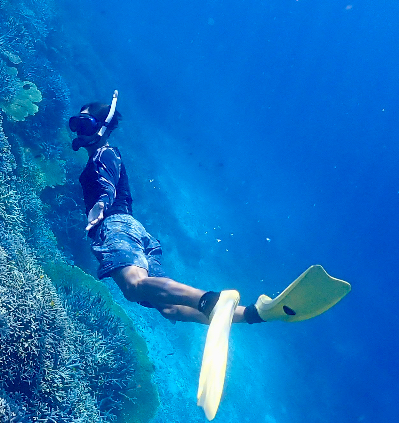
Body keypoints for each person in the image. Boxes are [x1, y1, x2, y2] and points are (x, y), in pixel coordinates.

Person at [70, 92, 263, 325]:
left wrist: (101, 205)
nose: (80, 131)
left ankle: (210, 300)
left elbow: (107, 185)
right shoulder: (105, 155)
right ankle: (251, 314)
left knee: (134, 286)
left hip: (115, 226)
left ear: (102, 128)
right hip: (136, 232)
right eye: (76, 124)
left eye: (85, 124)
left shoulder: (105, 154)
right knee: (169, 308)